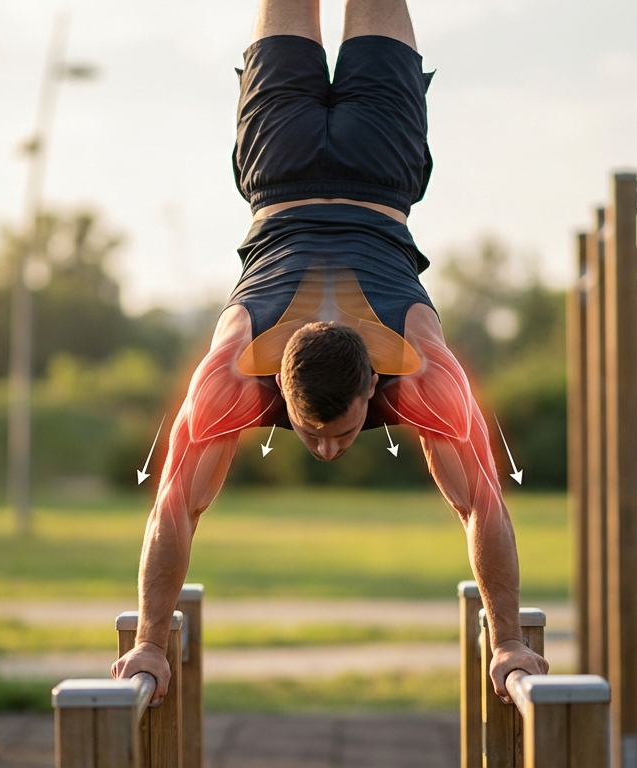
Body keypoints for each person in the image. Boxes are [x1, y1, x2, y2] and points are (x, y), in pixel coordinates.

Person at [112, 0, 548, 705]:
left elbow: (485, 504)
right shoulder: (234, 374)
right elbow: (171, 508)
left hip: (281, 173)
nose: (324, 449)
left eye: (339, 431)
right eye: (312, 433)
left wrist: (507, 641)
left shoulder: (420, 372)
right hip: (374, 171)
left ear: (372, 383)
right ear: (279, 390)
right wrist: (149, 647)